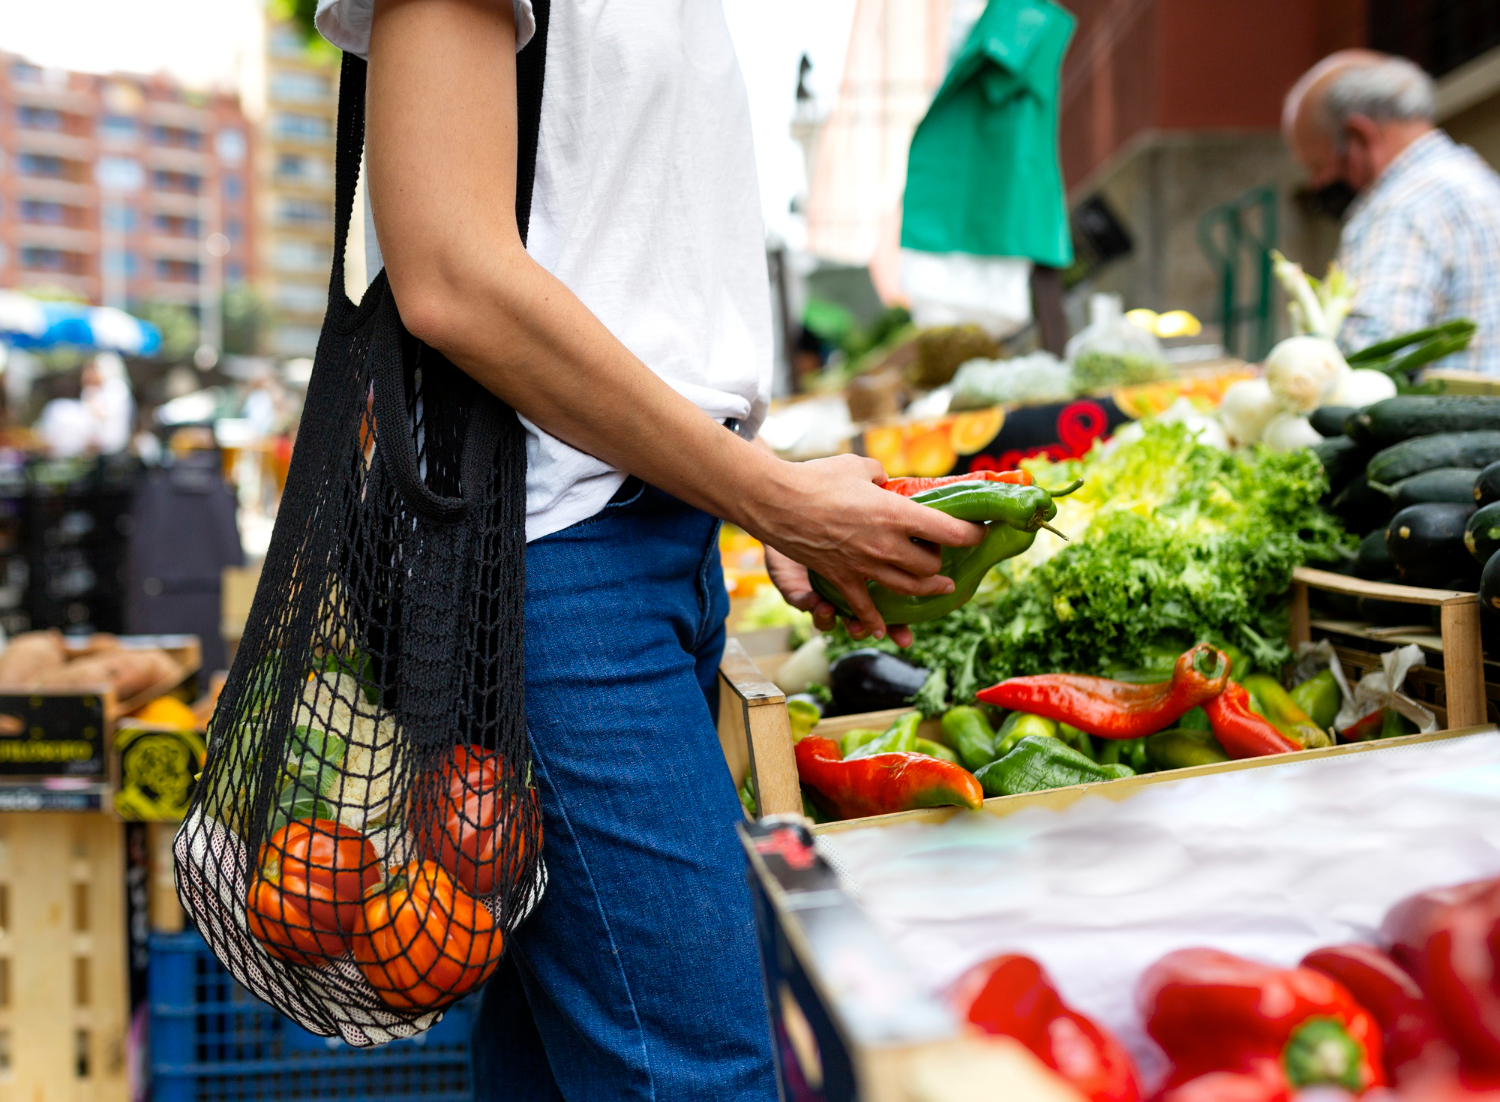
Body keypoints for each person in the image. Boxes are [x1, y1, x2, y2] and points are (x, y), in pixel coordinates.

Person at [312, 0, 983, 1098]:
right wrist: (771, 497)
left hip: (634, 543)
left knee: (571, 1058)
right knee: (706, 1065)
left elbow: (632, 272)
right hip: (547, 566)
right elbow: (450, 274)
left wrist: (758, 474)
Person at [1284, 51, 1500, 374]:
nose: (1316, 185)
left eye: (1316, 167)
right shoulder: (1479, 178)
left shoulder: (1401, 208)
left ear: (1358, 136)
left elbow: (1364, 358)